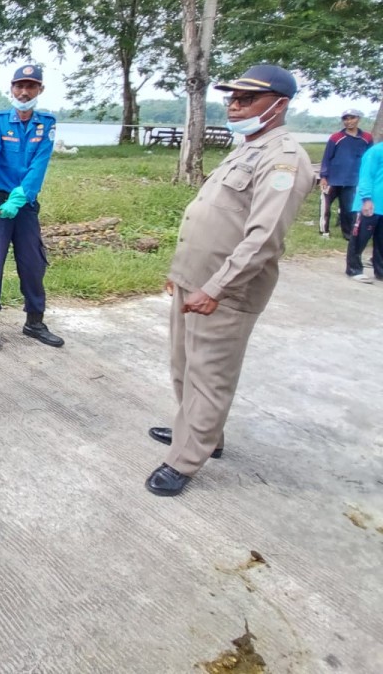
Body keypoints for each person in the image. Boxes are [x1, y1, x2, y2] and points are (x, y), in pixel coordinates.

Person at [146, 64, 314, 497]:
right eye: (233, 98)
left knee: (209, 374)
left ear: (279, 105)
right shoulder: (248, 147)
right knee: (183, 364)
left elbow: (264, 239)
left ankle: (185, 459)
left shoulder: (284, 158)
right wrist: (180, 274)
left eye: (247, 99)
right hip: (194, 280)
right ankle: (202, 434)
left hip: (225, 291)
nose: (235, 106)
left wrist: (214, 288)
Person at [0, 64, 64, 351]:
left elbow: (39, 165)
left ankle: (34, 322)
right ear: (11, 88)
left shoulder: (46, 124)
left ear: (40, 89)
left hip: (24, 205)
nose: (24, 92)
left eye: (31, 86)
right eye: (19, 86)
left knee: (32, 262)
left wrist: (22, 196)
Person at [319, 109, 372, 239]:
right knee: (325, 207)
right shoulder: (336, 137)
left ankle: (347, 234)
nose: (349, 122)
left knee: (348, 209)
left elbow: (369, 158)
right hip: (333, 179)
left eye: (352, 118)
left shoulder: (366, 138)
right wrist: (324, 176)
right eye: (346, 119)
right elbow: (327, 157)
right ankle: (324, 231)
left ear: (358, 119)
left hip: (352, 180)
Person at [346, 140, 383, 283]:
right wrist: (366, 199)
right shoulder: (375, 152)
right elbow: (366, 176)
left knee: (381, 241)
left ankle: (380, 271)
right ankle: (354, 269)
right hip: (369, 203)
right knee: (360, 238)